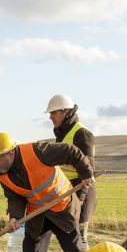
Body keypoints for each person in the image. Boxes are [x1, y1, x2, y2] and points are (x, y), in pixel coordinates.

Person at [46, 94, 96, 243]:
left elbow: (87, 170)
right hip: (67, 191)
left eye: (53, 113)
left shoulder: (81, 133)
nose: (50, 117)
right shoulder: (62, 134)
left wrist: (80, 199)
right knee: (69, 239)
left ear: (65, 112)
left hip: (81, 191)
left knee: (79, 239)